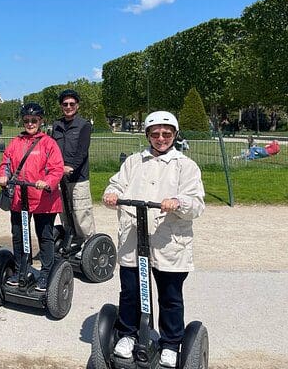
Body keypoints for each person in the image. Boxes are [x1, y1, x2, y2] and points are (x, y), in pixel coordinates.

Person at [102, 110, 205, 368]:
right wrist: (112, 194)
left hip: (168, 241)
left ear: (174, 135)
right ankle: (127, 333)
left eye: (166, 134)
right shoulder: (134, 162)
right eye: (156, 133)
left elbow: (196, 204)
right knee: (130, 292)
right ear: (147, 135)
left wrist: (177, 202)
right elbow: (116, 184)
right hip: (134, 239)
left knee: (170, 296)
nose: (161, 138)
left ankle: (170, 343)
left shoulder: (185, 165)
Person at [0, 103, 64, 291]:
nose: (30, 123)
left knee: (44, 237)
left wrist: (48, 181)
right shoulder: (16, 142)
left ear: (41, 121)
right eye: (27, 120)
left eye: (34, 120)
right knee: (18, 236)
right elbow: (6, 163)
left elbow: (57, 168)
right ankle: (20, 269)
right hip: (20, 197)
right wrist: (3, 176)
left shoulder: (48, 143)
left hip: (43, 198)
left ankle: (46, 273)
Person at [51, 89, 96, 244]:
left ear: (77, 106)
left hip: (78, 177)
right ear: (61, 106)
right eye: (65, 104)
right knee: (65, 213)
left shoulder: (84, 125)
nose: (68, 106)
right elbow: (51, 149)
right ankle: (71, 241)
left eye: (72, 104)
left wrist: (71, 167)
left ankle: (88, 245)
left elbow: (82, 151)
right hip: (60, 177)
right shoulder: (56, 125)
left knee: (81, 213)